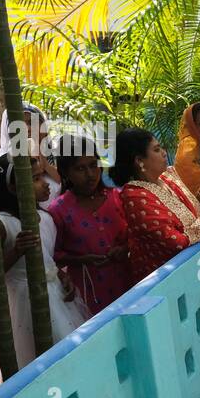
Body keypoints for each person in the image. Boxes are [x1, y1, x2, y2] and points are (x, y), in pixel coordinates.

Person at [0, 157, 91, 394]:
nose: (46, 184)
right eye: (36, 179)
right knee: (31, 367)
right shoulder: (0, 225)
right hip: (19, 304)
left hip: (53, 296)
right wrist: (15, 252)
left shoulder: (45, 218)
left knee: (66, 361)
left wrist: (61, 276)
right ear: (13, 187)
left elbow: (47, 258)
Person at [110, 128, 200, 283]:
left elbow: (191, 216)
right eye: (156, 149)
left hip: (193, 267)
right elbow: (174, 242)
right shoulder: (135, 196)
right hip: (166, 280)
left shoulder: (167, 177)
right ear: (139, 161)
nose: (164, 153)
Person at [48, 134, 131, 315]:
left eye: (94, 165)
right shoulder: (58, 210)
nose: (90, 175)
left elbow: (137, 235)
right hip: (88, 292)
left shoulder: (118, 197)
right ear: (66, 172)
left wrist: (125, 247)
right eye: (80, 168)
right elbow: (53, 255)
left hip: (129, 283)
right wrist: (81, 259)